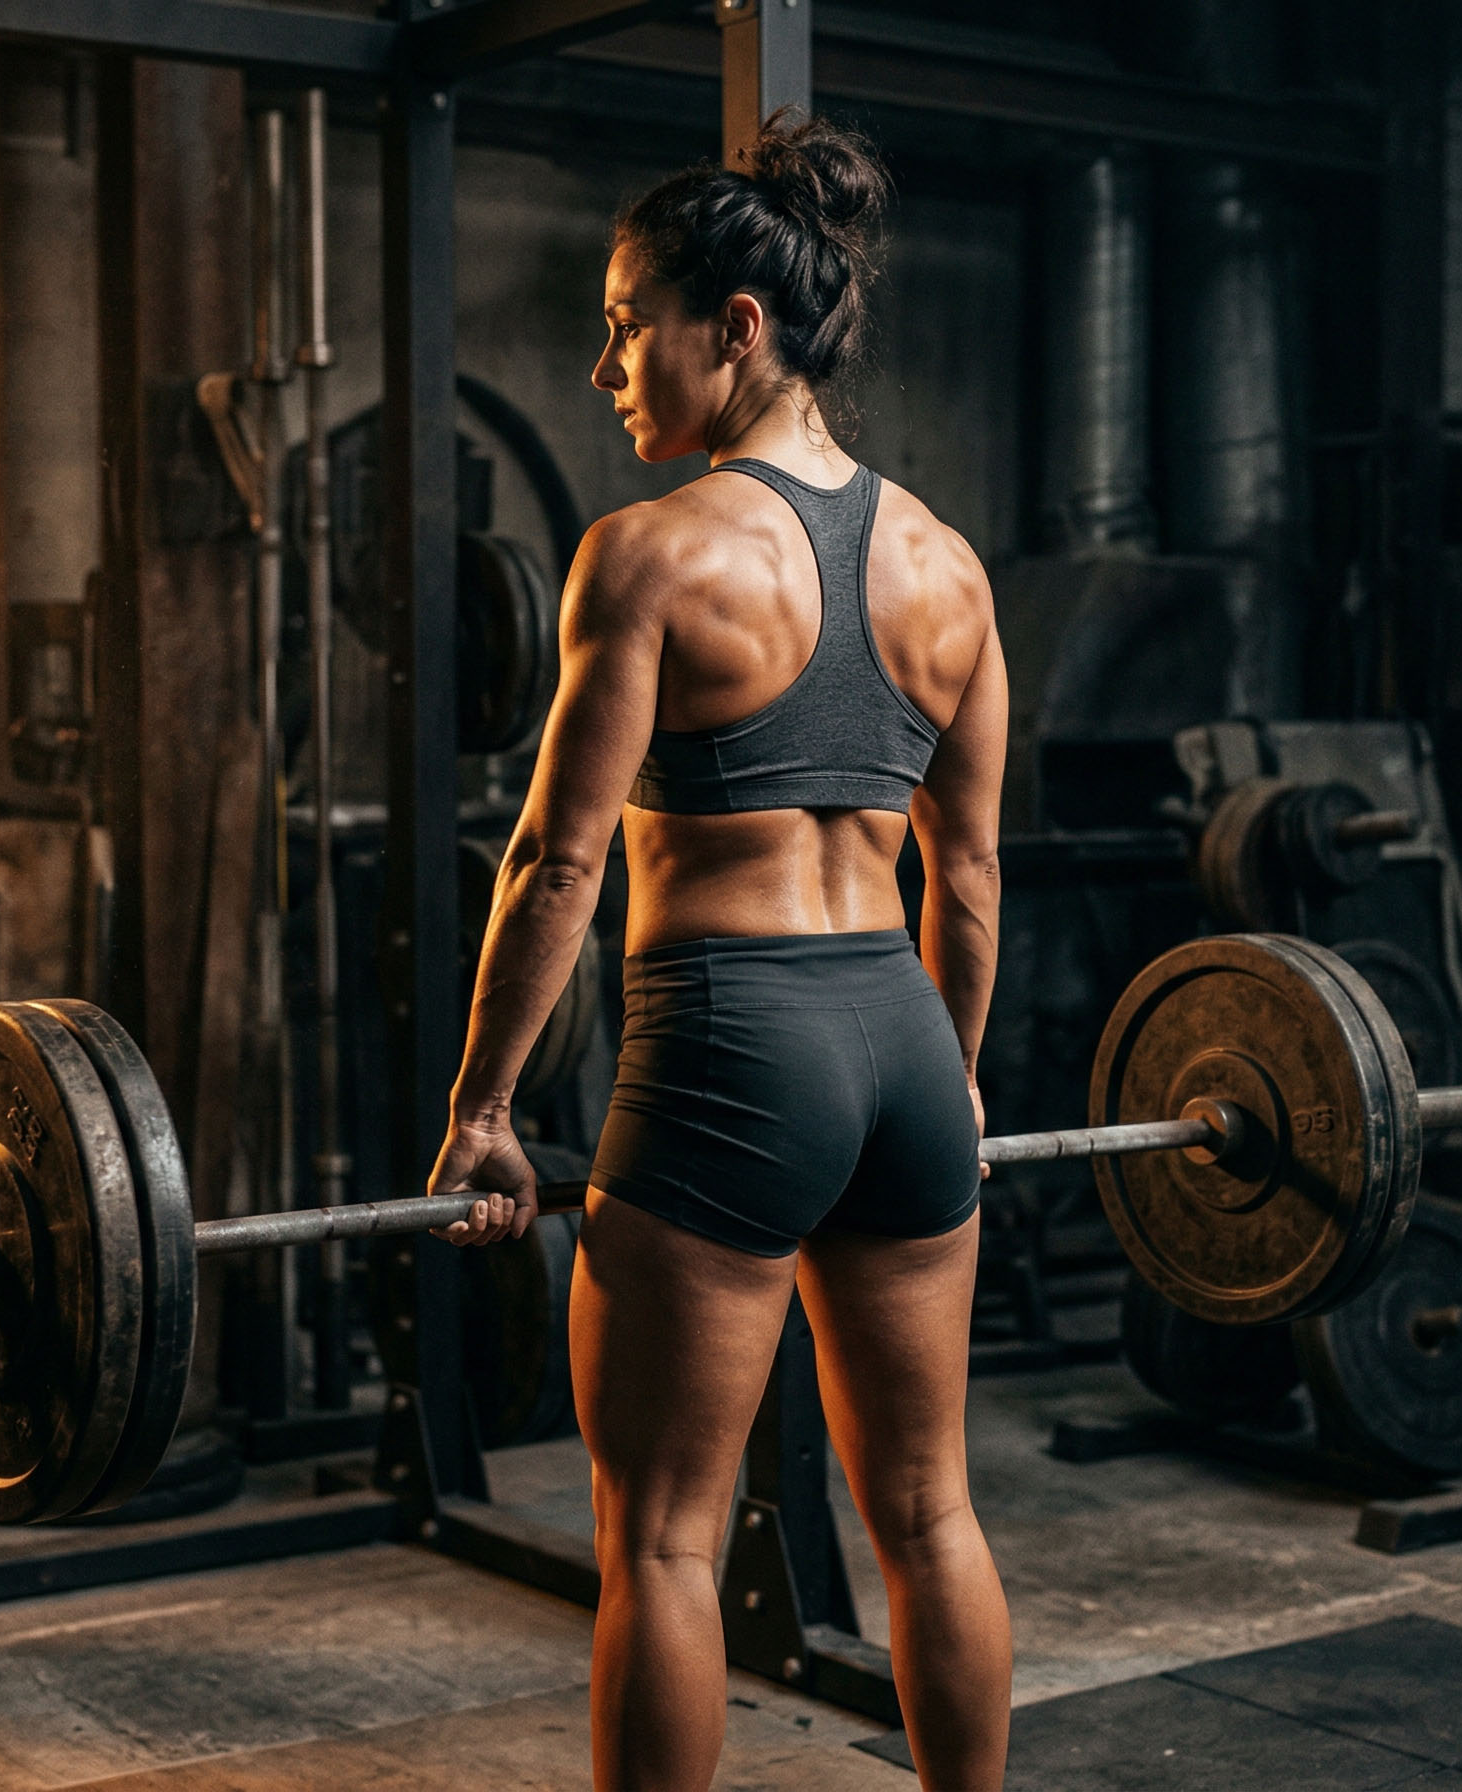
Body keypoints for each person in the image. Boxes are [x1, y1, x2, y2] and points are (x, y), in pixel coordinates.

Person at [424, 112, 1012, 1792]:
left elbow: (555, 864)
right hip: (899, 1049)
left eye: (628, 321)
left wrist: (484, 1109)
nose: (606, 359)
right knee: (928, 1505)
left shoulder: (654, 553)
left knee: (667, 1541)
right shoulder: (949, 570)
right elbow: (964, 877)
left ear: (735, 330)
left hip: (730, 1050)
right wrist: (953, 1071)